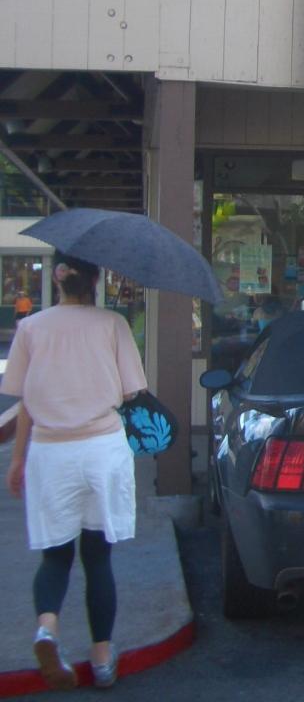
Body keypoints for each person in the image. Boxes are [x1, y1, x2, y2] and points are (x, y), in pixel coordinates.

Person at [2, 252, 147, 690]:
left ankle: (47, 627)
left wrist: (17, 458)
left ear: (58, 278)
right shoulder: (113, 324)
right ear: (96, 280)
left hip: (51, 452)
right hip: (101, 449)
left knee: (55, 554)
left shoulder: (31, 328)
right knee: (98, 556)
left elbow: (25, 401)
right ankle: (101, 657)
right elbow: (132, 391)